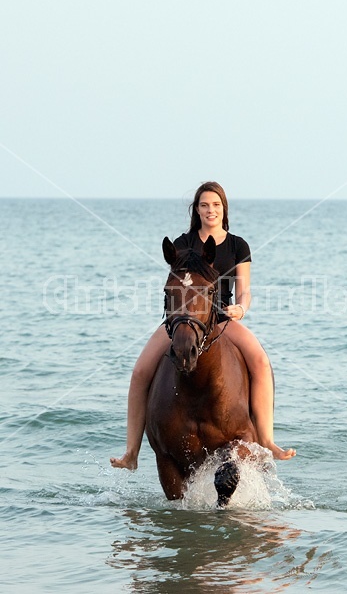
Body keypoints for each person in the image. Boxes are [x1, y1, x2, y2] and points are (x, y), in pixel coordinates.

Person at [110, 182, 296, 470]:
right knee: (140, 371)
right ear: (196, 210)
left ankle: (267, 440)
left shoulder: (237, 245)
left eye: (216, 205)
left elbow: (245, 289)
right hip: (183, 320)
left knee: (259, 361)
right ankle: (131, 452)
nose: (211, 210)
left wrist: (241, 308)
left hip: (221, 318)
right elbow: (177, 286)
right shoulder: (182, 245)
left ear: (224, 208)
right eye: (204, 205)